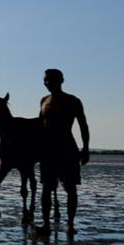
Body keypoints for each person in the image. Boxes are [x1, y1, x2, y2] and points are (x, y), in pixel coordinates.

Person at [36, 68, 90, 235]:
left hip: (67, 148)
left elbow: (83, 125)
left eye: (49, 80)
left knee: (70, 188)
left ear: (60, 81)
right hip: (47, 150)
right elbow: (39, 126)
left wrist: (86, 148)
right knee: (46, 188)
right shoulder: (43, 101)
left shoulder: (73, 101)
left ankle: (70, 225)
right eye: (45, 80)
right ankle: (46, 225)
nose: (46, 83)